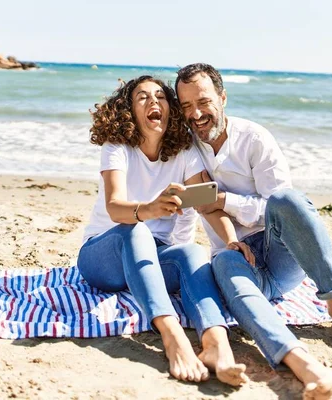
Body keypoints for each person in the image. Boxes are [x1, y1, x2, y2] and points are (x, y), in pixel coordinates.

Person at [175, 63, 332, 399]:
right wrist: (224, 225)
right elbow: (197, 203)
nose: (196, 114)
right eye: (186, 107)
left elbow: (276, 209)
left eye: (204, 102)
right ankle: (306, 367)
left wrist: (224, 199)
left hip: (280, 253)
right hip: (237, 256)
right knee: (221, 262)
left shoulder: (254, 139)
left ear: (223, 97)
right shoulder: (188, 149)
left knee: (288, 199)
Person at [77, 75, 249, 386]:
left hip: (153, 259)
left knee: (193, 251)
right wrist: (151, 209)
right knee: (136, 230)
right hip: (102, 257)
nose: (153, 101)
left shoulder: (184, 152)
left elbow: (206, 203)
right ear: (129, 110)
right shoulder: (117, 147)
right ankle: (173, 338)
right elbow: (115, 206)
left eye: (160, 96)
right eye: (142, 97)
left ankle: (215, 344)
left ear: (170, 109)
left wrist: (232, 240)